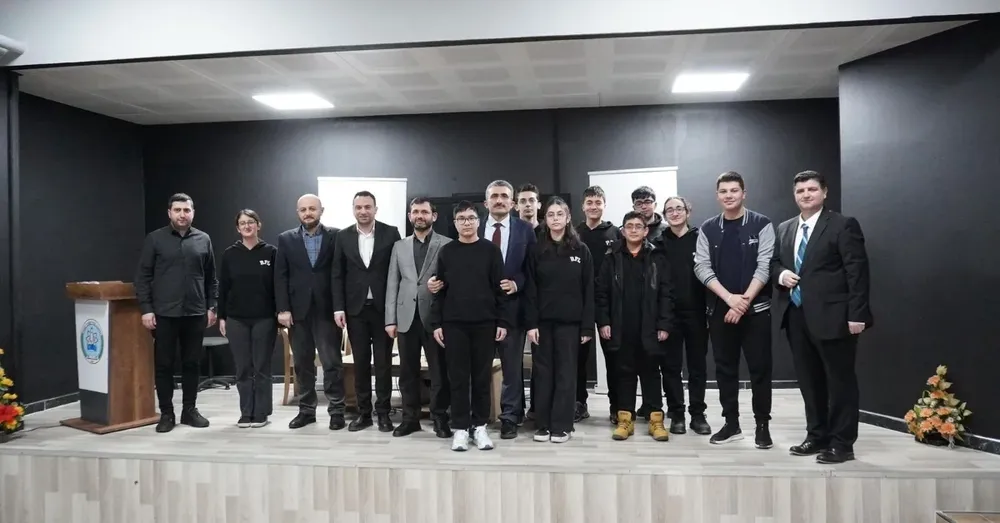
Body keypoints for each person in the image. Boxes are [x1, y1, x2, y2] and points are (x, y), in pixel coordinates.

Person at [772, 170, 873, 464]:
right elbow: (775, 262)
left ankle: (842, 443)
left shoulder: (842, 225)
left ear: (824, 192)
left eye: (812, 189)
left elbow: (857, 272)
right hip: (796, 316)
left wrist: (858, 314)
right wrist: (781, 274)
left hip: (835, 318)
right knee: (809, 381)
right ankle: (816, 436)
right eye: (800, 190)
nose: (806, 194)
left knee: (840, 382)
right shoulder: (785, 228)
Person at [432, 180, 535, 439]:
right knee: (471, 372)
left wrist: (516, 283)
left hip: (509, 310)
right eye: (494, 196)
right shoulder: (465, 235)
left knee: (511, 369)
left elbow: (531, 269)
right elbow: (448, 276)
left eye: (504, 196)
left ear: (512, 202)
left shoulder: (525, 230)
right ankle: (467, 422)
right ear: (486, 203)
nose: (499, 200)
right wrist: (435, 284)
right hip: (469, 315)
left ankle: (510, 417)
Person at [693, 171, 775, 449]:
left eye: (734, 190)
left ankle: (762, 426)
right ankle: (731, 424)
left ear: (744, 193)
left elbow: (765, 265)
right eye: (723, 191)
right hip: (721, 310)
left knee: (760, 370)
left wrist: (743, 302)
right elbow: (701, 267)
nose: (729, 195)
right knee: (725, 370)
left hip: (756, 311)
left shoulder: (762, 224)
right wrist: (730, 299)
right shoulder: (708, 228)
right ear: (717, 196)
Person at [135, 193, 217, 433]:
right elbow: (143, 277)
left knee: (192, 363)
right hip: (164, 313)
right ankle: (167, 414)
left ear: (193, 213)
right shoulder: (155, 239)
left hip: (195, 312)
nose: (182, 214)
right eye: (178, 210)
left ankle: (189, 410)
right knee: (164, 365)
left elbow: (211, 278)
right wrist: (146, 309)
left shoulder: (203, 239)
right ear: (169, 213)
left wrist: (212, 306)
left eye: (187, 210)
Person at [430, 201, 508, 452]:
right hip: (454, 324)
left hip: (485, 323)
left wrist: (502, 321)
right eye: (461, 218)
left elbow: (500, 289)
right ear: (455, 223)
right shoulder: (447, 252)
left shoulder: (491, 251)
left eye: (471, 218)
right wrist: (437, 323)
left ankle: (480, 426)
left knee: (482, 377)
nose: (466, 222)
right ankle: (461, 428)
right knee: (458, 378)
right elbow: (439, 289)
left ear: (478, 221)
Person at [596, 211, 674, 442]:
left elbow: (666, 293)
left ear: (645, 230)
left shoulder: (656, 256)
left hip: (650, 326)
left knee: (651, 373)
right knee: (624, 373)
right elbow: (601, 293)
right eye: (629, 226)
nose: (633, 230)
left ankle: (655, 420)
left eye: (638, 226)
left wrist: (664, 323)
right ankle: (625, 419)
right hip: (621, 326)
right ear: (622, 231)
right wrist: (604, 321)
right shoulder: (611, 257)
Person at [524, 197, 595, 443]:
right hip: (542, 324)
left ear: (568, 218)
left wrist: (587, 327)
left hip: (570, 325)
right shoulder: (536, 250)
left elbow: (588, 289)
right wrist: (531, 324)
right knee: (543, 374)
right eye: (551, 214)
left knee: (566, 374)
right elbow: (530, 289)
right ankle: (543, 424)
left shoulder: (581, 250)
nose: (555, 218)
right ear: (545, 219)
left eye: (560, 214)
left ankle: (562, 426)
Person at [332, 191, 402, 432]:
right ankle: (364, 414)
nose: (363, 211)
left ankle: (383, 413)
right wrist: (338, 308)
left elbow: (397, 271)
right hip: (355, 311)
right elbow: (337, 274)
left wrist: (395, 310)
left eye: (367, 207)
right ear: (353, 210)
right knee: (360, 363)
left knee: (383, 364)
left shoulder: (391, 233)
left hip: (383, 311)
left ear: (375, 209)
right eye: (359, 207)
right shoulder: (342, 236)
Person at [275, 194, 346, 431]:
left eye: (312, 209)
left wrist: (340, 307)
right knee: (303, 363)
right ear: (298, 213)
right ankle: (306, 411)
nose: (308, 213)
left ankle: (337, 411)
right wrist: (283, 309)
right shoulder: (286, 239)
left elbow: (340, 273)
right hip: (298, 312)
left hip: (327, 310)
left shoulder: (336, 236)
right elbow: (281, 276)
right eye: (303, 209)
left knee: (332, 363)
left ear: (321, 210)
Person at [385, 197, 453, 438]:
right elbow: (392, 283)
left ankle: (440, 418)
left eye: (424, 212)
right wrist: (390, 319)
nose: (419, 216)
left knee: (439, 372)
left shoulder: (447, 244)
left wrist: (443, 284)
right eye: (415, 212)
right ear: (409, 216)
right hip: (406, 317)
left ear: (434, 216)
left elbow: (454, 281)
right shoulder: (399, 246)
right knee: (407, 372)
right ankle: (409, 419)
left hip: (435, 318)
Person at [217, 209, 278, 428]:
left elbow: (278, 286)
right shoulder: (230, 254)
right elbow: (223, 287)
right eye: (242, 223)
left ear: (258, 225)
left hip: (264, 318)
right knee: (243, 368)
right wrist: (222, 317)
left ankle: (261, 412)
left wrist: (280, 312)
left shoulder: (271, 252)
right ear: (238, 228)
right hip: (236, 319)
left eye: (251, 222)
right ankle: (246, 412)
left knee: (261, 367)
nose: (247, 226)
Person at [657, 196, 712, 436]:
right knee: (670, 367)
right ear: (665, 215)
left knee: (697, 366)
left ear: (688, 212)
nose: (675, 213)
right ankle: (676, 413)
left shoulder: (701, 239)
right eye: (669, 210)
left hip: (697, 313)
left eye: (679, 208)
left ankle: (698, 414)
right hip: (668, 315)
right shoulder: (659, 243)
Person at [575, 185, 621, 423]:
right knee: (577, 358)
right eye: (589, 202)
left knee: (614, 358)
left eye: (598, 202)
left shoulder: (616, 233)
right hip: (579, 303)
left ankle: (617, 406)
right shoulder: (574, 233)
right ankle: (579, 403)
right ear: (583, 206)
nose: (594, 207)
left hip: (608, 304)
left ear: (604, 205)